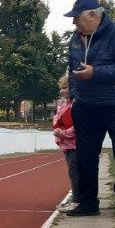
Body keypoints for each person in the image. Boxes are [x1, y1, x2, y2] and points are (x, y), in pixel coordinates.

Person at [64, 0, 115, 217]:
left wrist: (96, 73)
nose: (73, 23)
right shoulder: (75, 39)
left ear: (92, 15)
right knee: (85, 156)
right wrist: (73, 95)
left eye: (76, 18)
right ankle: (88, 202)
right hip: (87, 106)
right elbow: (72, 69)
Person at [52, 74, 79, 206]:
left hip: (75, 145)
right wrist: (58, 133)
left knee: (75, 172)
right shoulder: (63, 104)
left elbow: (78, 126)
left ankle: (77, 199)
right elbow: (57, 120)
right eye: (60, 88)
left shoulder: (77, 104)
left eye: (65, 87)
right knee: (72, 171)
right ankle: (76, 196)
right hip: (66, 145)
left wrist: (63, 133)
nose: (62, 91)